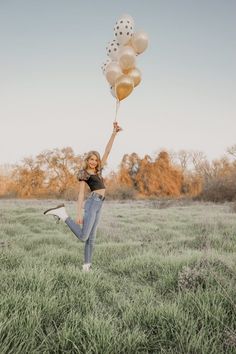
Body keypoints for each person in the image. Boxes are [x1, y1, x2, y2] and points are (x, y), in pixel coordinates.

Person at [44, 121, 122, 272]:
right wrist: (78, 213)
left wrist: (114, 133)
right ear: (87, 160)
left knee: (91, 238)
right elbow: (81, 194)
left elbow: (107, 151)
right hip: (92, 203)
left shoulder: (98, 171)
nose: (94, 162)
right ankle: (63, 215)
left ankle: (87, 267)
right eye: (91, 159)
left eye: (96, 160)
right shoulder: (84, 173)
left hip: (100, 204)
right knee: (84, 236)